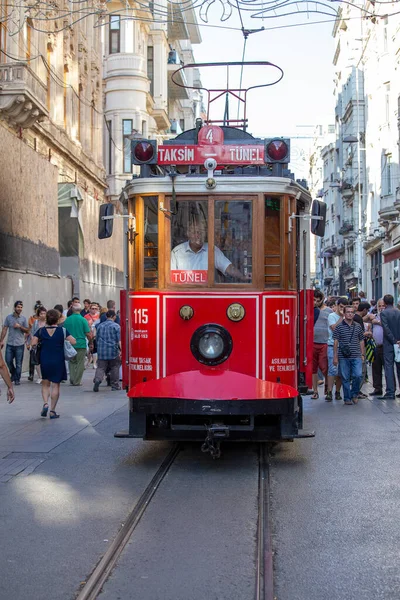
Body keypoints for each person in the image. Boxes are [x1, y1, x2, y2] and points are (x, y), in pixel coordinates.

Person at [31, 309, 76, 418]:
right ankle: (52, 411)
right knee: (56, 385)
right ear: (57, 319)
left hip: (45, 360)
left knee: (45, 384)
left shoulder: (41, 331)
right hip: (58, 361)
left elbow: (33, 343)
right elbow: (74, 341)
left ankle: (45, 403)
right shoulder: (63, 331)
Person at [171, 221, 248, 281]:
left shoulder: (212, 250)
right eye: (195, 232)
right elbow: (171, 278)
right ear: (188, 234)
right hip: (184, 295)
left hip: (206, 294)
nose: (198, 236)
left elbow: (228, 267)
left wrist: (242, 277)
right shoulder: (177, 253)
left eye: (201, 232)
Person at [333, 305, 365, 405]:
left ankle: (354, 394)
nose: (350, 314)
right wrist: (335, 356)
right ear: (344, 313)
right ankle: (347, 398)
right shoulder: (339, 327)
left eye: (352, 312)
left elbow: (361, 340)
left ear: (354, 314)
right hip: (343, 356)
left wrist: (362, 354)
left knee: (358, 375)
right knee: (345, 377)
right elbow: (336, 341)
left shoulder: (358, 326)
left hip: (356, 355)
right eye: (348, 312)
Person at [0, 301, 30, 386]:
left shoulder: (23, 319)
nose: (19, 309)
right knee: (8, 361)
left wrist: (20, 326)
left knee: (19, 363)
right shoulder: (8, 318)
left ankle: (17, 379)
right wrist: (1, 340)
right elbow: (5, 329)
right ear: (14, 308)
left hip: (19, 344)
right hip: (10, 343)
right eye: (18, 307)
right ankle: (13, 374)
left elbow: (28, 330)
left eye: (21, 307)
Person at [325, 297, 348, 401]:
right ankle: (329, 391)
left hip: (343, 346)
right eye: (341, 307)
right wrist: (342, 318)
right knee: (332, 369)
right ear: (337, 306)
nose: (342, 309)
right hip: (332, 345)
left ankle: (338, 391)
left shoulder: (349, 317)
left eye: (344, 307)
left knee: (341, 371)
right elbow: (334, 328)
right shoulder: (331, 316)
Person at [93, 310, 121, 392]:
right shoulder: (116, 326)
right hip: (113, 350)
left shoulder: (100, 326)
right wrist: (121, 349)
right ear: (113, 316)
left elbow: (96, 338)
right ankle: (115, 385)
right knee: (115, 367)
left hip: (102, 350)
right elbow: (119, 340)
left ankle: (98, 379)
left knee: (101, 367)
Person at [311, 290, 332, 399]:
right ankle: (315, 391)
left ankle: (328, 389)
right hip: (312, 342)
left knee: (325, 367)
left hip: (324, 342)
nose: (315, 303)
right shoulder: (310, 310)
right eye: (313, 300)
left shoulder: (328, 311)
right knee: (313, 369)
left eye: (317, 301)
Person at [379, 294, 400, 400]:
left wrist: (394, 340)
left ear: (385, 303)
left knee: (389, 367)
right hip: (399, 344)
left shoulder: (384, 313)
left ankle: (390, 391)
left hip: (389, 344)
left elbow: (386, 329)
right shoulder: (398, 312)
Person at [65, 304, 92, 385]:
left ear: (72, 310)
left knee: (72, 362)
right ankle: (77, 381)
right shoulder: (83, 320)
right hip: (81, 344)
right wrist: (91, 342)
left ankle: (72, 379)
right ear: (80, 310)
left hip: (70, 344)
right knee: (80, 363)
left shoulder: (67, 320)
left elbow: (64, 332)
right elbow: (88, 333)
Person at [365, 298, 385, 396]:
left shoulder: (386, 317)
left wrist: (376, 322)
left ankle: (391, 389)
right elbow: (363, 319)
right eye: (379, 306)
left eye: (383, 306)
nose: (381, 308)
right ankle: (377, 388)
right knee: (376, 368)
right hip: (375, 346)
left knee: (388, 369)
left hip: (386, 346)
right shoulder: (374, 316)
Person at [30, 306, 47, 384]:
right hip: (37, 343)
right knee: (37, 361)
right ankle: (40, 377)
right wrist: (33, 342)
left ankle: (45, 376)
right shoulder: (36, 322)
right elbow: (32, 332)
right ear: (38, 314)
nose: (43, 315)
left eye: (44, 313)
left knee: (45, 360)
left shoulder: (48, 323)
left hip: (46, 343)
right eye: (41, 313)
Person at [27, 302, 42, 381]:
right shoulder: (32, 319)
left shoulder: (45, 320)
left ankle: (42, 375)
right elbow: (30, 330)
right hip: (33, 341)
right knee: (33, 358)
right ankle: (31, 374)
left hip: (41, 342)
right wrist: (31, 341)